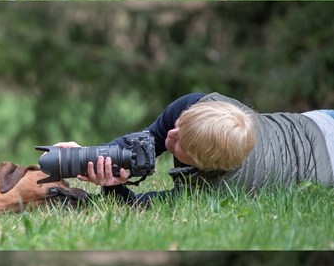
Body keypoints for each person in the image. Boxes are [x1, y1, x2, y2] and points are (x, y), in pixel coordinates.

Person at [55, 91, 334, 203]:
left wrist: (112, 185)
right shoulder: (197, 105)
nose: (171, 135)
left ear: (202, 164)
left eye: (180, 143)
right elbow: (148, 139)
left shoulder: (215, 192)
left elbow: (139, 205)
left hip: (327, 164)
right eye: (179, 125)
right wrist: (90, 155)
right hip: (318, 122)